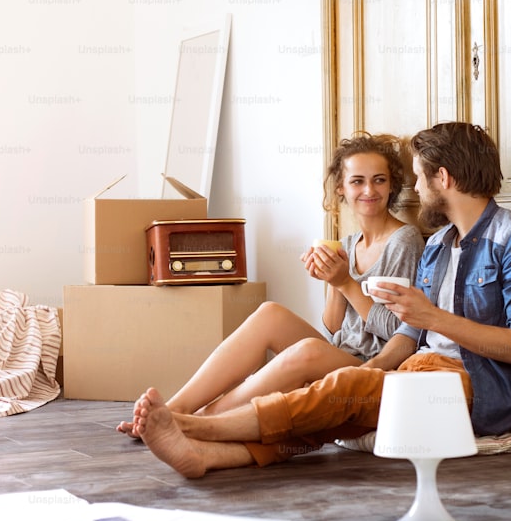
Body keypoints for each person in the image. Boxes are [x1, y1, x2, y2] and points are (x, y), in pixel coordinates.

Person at [131, 122, 511, 478]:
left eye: (417, 177)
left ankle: (192, 427)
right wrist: (372, 370)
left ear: (442, 178)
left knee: (338, 390)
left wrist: (430, 320)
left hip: (477, 386)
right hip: (417, 368)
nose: (415, 188)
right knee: (333, 409)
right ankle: (204, 455)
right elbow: (408, 334)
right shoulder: (440, 244)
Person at [116, 132, 424, 436]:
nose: (369, 189)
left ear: (392, 185)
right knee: (270, 313)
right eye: (357, 181)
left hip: (376, 363)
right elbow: (332, 328)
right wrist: (331, 282)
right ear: (341, 188)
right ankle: (176, 409)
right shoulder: (347, 243)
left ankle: (193, 424)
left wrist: (345, 283)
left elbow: (400, 331)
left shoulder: (404, 240)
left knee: (306, 351)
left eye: (379, 179)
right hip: (344, 353)